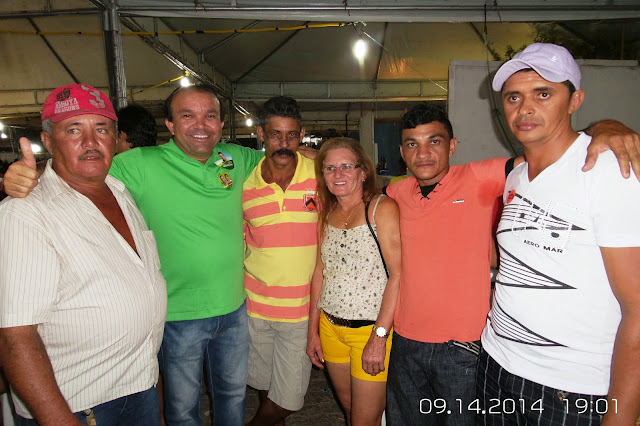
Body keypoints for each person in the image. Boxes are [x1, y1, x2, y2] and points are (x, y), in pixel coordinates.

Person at [384, 102, 640, 426]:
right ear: (402, 152)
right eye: (412, 144)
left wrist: (603, 126)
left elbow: (552, 153)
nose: (423, 153)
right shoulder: (396, 192)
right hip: (406, 340)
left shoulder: (478, 176)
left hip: (463, 347)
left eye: (434, 141)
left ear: (452, 146)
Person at [479, 42, 640, 425]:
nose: (525, 108)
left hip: (569, 388)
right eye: (514, 97)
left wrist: (620, 416)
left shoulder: (608, 170)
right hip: (497, 364)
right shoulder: (516, 177)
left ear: (575, 100)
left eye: (543, 93)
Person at [0, 83, 167, 425]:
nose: (91, 142)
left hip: (138, 385)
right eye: (74, 130)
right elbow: (15, 336)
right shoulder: (25, 213)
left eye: (101, 129)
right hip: (79, 404)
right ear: (48, 141)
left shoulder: (119, 192)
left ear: (115, 138)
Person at [307, 138, 402, 425]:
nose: (338, 174)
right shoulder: (327, 213)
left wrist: (379, 337)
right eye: (330, 168)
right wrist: (313, 331)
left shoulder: (381, 208)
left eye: (346, 166)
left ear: (363, 172)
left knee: (364, 420)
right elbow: (320, 272)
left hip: (369, 331)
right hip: (331, 328)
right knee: (350, 410)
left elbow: (398, 275)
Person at [243, 96, 317, 426]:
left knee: (288, 398)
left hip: (302, 310)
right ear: (261, 134)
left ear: (301, 134)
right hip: (255, 307)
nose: (284, 144)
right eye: (275, 135)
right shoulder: (244, 181)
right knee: (264, 384)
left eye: (291, 135)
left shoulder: (321, 172)